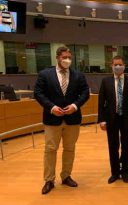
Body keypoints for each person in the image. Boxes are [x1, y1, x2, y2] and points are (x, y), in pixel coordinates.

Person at [34, 46, 90, 195]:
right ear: (58, 57)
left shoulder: (78, 76)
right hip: (52, 118)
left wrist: (75, 106)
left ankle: (66, 176)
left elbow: (85, 93)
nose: (67, 60)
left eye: (69, 58)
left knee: (70, 149)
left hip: (72, 119)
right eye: (65, 57)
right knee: (50, 149)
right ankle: (49, 180)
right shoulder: (45, 74)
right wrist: (52, 107)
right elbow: (38, 93)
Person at [98, 55, 128, 184]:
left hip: (126, 119)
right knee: (113, 146)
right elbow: (101, 102)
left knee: (126, 146)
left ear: (124, 66)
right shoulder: (105, 81)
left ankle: (125, 172)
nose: (118, 67)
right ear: (111, 66)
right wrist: (102, 120)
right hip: (111, 119)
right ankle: (115, 173)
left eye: (120, 64)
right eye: (115, 65)